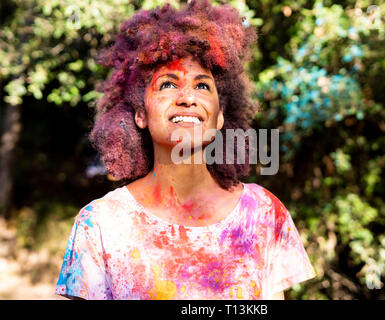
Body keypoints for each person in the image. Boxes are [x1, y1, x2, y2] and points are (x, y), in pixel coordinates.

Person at [55, 0, 315, 300]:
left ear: (219, 117)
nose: (187, 98)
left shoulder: (263, 213)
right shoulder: (100, 223)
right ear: (140, 114)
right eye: (167, 85)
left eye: (202, 86)